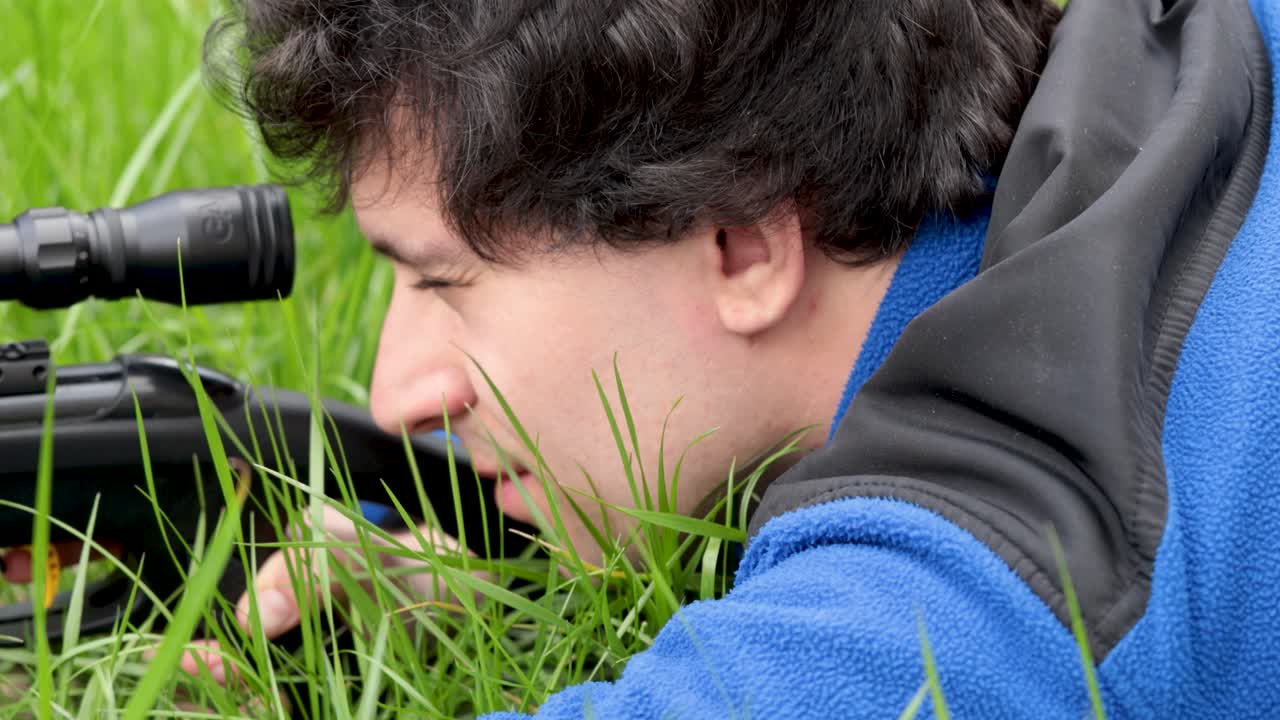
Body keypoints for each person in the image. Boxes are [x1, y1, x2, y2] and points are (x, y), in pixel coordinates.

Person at [12, 0, 1280, 716]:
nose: (399, 391)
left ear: (739, 246)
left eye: (446, 282)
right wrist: (471, 544)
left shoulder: (998, 589)